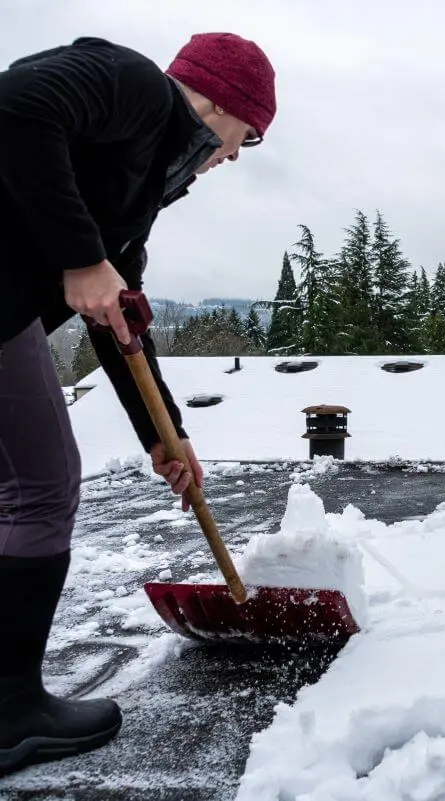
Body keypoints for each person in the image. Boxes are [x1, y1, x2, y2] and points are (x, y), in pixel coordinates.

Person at [0, 32, 276, 776]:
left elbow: (119, 321)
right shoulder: (132, 83)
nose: (237, 156)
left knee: (18, 491)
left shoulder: (141, 183)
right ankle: (9, 711)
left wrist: (166, 436)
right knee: (40, 487)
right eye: (248, 135)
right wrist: (82, 257)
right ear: (217, 101)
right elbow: (16, 106)